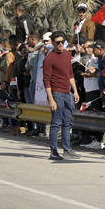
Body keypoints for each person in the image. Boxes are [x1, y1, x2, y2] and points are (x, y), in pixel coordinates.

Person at [43, 32, 80, 160]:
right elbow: (46, 81)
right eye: (57, 42)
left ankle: (67, 149)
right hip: (56, 93)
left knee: (68, 123)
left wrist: (75, 91)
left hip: (67, 93)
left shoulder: (66, 54)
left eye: (62, 42)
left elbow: (70, 74)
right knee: (56, 123)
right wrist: (51, 99)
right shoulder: (49, 58)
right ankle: (53, 152)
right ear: (53, 43)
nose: (60, 44)